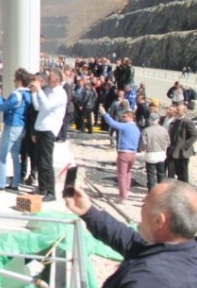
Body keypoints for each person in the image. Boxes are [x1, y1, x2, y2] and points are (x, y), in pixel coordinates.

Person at [64, 180, 197, 288]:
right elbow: (128, 240)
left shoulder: (148, 280)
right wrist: (88, 211)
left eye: (144, 204)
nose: (142, 208)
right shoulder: (183, 250)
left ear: (158, 220)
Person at [28, 69, 68, 202]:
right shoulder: (47, 91)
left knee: (46, 162)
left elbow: (47, 106)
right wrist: (35, 93)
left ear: (56, 80)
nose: (47, 80)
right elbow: (38, 107)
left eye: (50, 78)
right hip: (40, 127)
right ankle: (42, 187)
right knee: (39, 160)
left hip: (49, 129)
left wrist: (39, 89)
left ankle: (51, 192)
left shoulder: (60, 93)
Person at [0, 68, 32, 191]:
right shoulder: (28, 94)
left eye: (15, 79)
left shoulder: (16, 94)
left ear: (19, 80)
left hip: (12, 125)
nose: (13, 81)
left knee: (2, 156)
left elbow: (2, 107)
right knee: (15, 155)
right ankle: (15, 183)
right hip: (22, 126)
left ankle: (1, 183)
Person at [99, 106, 140, 203]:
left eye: (125, 117)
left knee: (121, 175)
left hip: (124, 153)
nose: (122, 118)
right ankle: (126, 190)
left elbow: (112, 123)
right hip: (133, 154)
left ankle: (122, 197)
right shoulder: (137, 129)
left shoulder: (126, 126)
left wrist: (104, 113)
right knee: (128, 173)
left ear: (131, 117)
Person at [139, 113, 170, 191]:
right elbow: (168, 143)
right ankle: (162, 192)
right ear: (158, 120)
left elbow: (143, 145)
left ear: (150, 120)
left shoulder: (146, 130)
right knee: (161, 173)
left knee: (151, 174)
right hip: (161, 154)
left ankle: (152, 192)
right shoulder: (164, 130)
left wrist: (142, 149)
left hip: (151, 154)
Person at [167, 104, 197, 183]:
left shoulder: (187, 121)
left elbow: (194, 135)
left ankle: (184, 190)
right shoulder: (176, 121)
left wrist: (185, 145)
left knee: (183, 174)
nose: (176, 111)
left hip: (183, 152)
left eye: (178, 110)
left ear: (183, 111)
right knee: (174, 171)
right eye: (176, 109)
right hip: (174, 150)